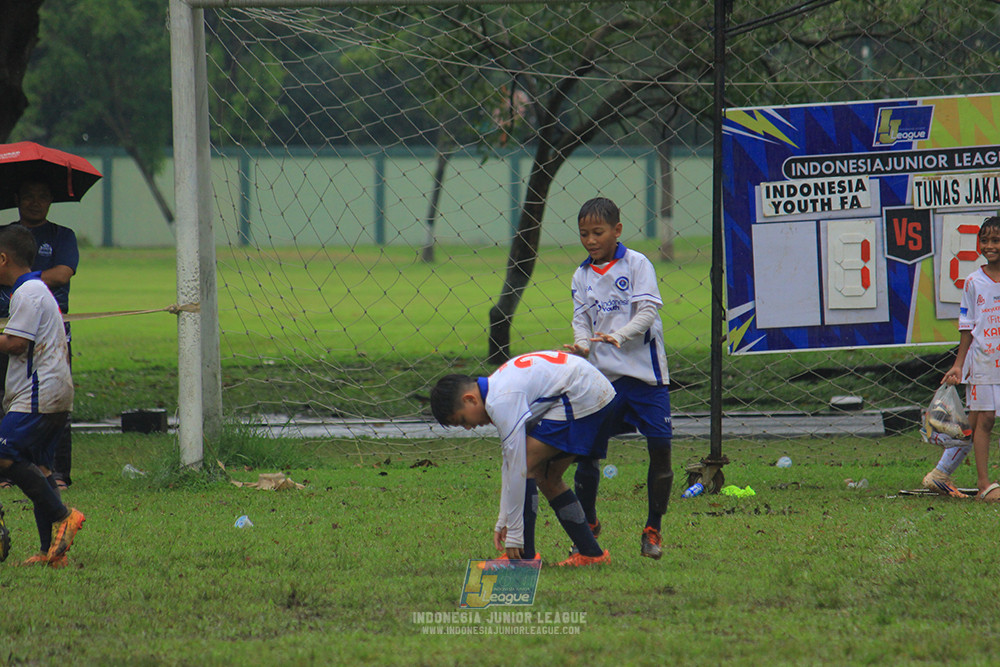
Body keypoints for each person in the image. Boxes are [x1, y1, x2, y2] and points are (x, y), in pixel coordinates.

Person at [430, 350, 617, 567]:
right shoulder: (497, 387)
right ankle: (591, 555)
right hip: (595, 393)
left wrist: (515, 535)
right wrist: (503, 520)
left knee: (528, 466)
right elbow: (508, 463)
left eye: (463, 420)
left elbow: (518, 467)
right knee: (547, 477)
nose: (469, 427)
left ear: (470, 399)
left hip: (584, 395)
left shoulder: (500, 401)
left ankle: (522, 557)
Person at [563, 196, 673, 560]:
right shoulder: (581, 275)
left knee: (660, 449)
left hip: (645, 378)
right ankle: (589, 522)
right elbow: (582, 319)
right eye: (584, 234)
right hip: (603, 380)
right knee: (586, 453)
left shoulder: (636, 263)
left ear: (617, 230)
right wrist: (581, 346)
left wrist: (620, 335)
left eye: (598, 232)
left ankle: (653, 528)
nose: (591, 240)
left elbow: (647, 312)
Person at [0, 225, 84, 567]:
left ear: (3, 258)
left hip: (39, 394)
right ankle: (52, 551)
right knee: (41, 467)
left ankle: (63, 514)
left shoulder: (29, 293)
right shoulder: (35, 289)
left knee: (4, 454)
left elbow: (18, 344)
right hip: (53, 392)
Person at [0, 177, 79, 490]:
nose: (35, 201)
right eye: (28, 195)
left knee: (7, 451)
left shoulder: (31, 291)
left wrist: (18, 282)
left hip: (44, 352)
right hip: (15, 330)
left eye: (42, 195)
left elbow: (62, 273)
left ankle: (56, 476)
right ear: (18, 197)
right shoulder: (8, 238)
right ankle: (56, 511)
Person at [943, 215, 1000, 500]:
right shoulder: (972, 282)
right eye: (985, 241)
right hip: (982, 360)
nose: (990, 246)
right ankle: (983, 484)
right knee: (985, 419)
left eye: (996, 240)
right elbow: (967, 327)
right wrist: (958, 364)